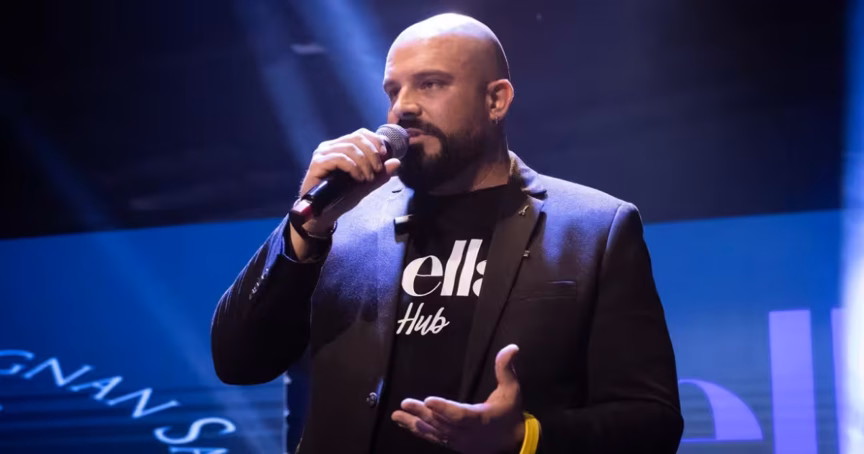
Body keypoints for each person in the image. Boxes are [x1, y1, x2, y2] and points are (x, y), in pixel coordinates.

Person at [211, 13, 683, 454]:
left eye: (431, 84)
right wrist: (305, 230)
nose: (403, 107)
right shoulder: (341, 223)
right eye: (393, 91)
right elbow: (238, 363)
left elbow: (652, 420)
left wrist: (524, 437)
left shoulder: (594, 227)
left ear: (496, 100)